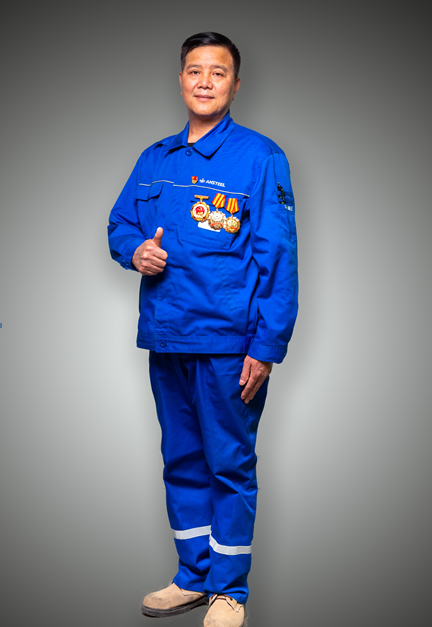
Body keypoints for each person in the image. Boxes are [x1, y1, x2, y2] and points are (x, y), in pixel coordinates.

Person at [108, 32, 298, 627]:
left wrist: (266, 346)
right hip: (167, 338)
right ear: (181, 81)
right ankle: (192, 577)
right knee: (181, 459)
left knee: (229, 466)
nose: (206, 81)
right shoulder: (154, 159)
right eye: (195, 71)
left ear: (236, 85)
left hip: (228, 345)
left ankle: (229, 591)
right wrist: (135, 251)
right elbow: (119, 224)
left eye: (218, 72)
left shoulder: (260, 157)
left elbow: (279, 259)